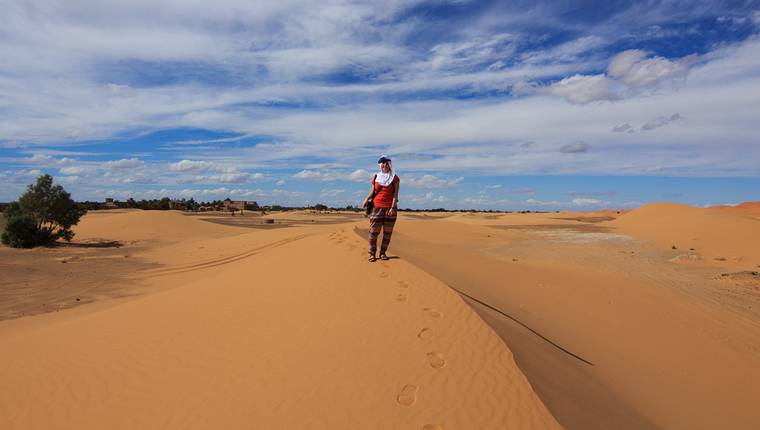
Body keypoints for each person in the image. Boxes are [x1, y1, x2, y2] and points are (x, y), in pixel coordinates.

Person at [362, 155, 400, 262]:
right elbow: (373, 191)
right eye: (383, 163)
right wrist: (366, 198)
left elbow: (395, 194)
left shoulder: (395, 178)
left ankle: (383, 253)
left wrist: (392, 207)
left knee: (387, 234)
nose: (385, 165)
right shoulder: (376, 177)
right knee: (373, 233)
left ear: (390, 165)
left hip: (390, 209)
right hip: (376, 207)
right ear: (380, 165)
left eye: (387, 163)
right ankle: (372, 253)